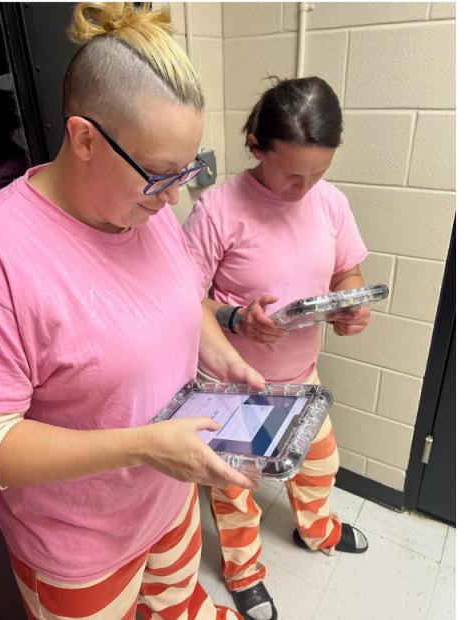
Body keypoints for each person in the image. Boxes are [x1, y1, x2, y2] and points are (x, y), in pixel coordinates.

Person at [0, 3, 265, 618]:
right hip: (80, 549)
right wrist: (141, 446)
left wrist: (223, 358)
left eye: (186, 171)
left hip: (168, 506)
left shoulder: (149, 210)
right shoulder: (5, 253)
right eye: (159, 174)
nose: (175, 196)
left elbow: (181, 299)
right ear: (84, 136)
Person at [182, 76, 371, 620]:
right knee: (236, 489)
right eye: (292, 173)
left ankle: (318, 529)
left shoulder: (330, 203)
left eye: (318, 172)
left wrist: (348, 305)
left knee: (320, 464)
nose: (304, 187)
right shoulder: (218, 209)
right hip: (233, 385)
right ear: (257, 146)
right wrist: (236, 317)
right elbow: (181, 302)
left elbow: (346, 270)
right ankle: (243, 573)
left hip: (302, 375)